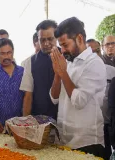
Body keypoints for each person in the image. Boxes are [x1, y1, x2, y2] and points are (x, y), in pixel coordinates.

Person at [50, 17, 106, 158]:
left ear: (79, 38)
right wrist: (57, 75)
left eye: (65, 45)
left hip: (87, 143)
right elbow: (54, 98)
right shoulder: (68, 62)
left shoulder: (94, 63)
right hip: (65, 141)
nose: (62, 50)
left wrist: (63, 73)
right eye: (60, 46)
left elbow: (79, 101)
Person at [20, 20, 58, 120]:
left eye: (50, 39)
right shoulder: (30, 62)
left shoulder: (67, 58)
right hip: (39, 121)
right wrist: (26, 121)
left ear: (57, 37)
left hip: (63, 119)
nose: (46, 43)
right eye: (42, 40)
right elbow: (28, 95)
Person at [0, 38, 24, 133]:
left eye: (9, 52)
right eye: (3, 53)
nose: (6, 56)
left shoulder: (22, 72)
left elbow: (28, 97)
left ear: (13, 52)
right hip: (1, 128)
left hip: (21, 127)